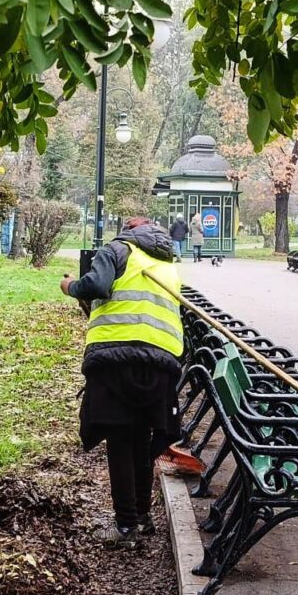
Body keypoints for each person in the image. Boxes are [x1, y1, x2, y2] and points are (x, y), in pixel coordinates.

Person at [61, 217, 183, 545]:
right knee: (142, 440)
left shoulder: (117, 249)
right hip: (160, 363)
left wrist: (71, 286)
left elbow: (96, 286)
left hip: (118, 359)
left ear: (129, 230)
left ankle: (126, 526)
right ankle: (141, 517)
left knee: (119, 441)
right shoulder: (167, 264)